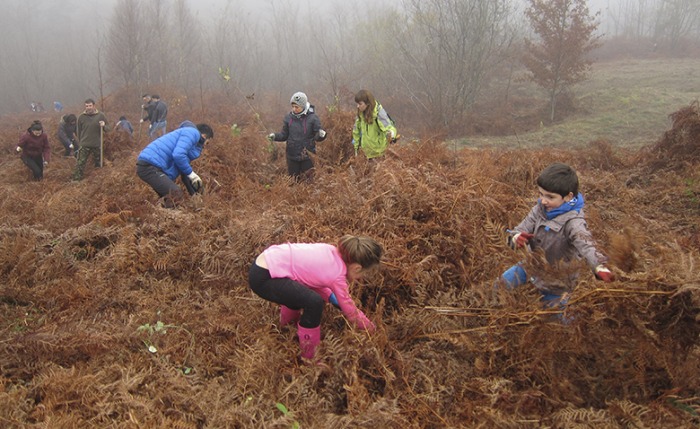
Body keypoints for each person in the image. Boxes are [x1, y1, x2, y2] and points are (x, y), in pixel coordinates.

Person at [498, 162, 614, 313]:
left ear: (568, 196)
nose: (543, 200)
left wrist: (599, 266)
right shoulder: (539, 209)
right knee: (499, 287)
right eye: (541, 194)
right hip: (531, 266)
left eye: (550, 197)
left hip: (556, 282)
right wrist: (515, 238)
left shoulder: (574, 222)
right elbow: (518, 230)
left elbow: (587, 245)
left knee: (556, 322)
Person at [248, 235, 381, 360]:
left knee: (301, 293)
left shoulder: (330, 251)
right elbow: (351, 313)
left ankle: (286, 328)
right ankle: (310, 356)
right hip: (265, 278)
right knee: (314, 302)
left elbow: (311, 280)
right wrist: (372, 330)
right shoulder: (337, 276)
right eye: (363, 274)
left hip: (264, 265)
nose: (361, 279)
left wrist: (331, 297)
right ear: (357, 268)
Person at [136, 121, 214, 208]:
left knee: (168, 198)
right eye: (207, 142)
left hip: (153, 167)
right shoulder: (192, 133)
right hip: (150, 166)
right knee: (175, 194)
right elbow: (178, 155)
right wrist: (192, 174)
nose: (205, 146)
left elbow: (184, 172)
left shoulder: (190, 142)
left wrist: (195, 195)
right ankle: (167, 219)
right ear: (204, 136)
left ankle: (162, 218)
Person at [267, 92, 326, 182]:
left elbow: (317, 136)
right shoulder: (288, 118)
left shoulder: (313, 118)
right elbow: (284, 135)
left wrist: (321, 135)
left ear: (303, 106)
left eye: (297, 107)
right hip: (292, 156)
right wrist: (275, 136)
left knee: (309, 183)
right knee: (294, 182)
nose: (294, 109)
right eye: (293, 106)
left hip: (307, 157)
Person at [351, 89, 398, 159]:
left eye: (360, 104)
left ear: (367, 103)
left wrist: (392, 136)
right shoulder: (360, 114)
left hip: (379, 155)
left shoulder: (378, 113)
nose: (357, 106)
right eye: (357, 104)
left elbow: (390, 127)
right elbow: (356, 131)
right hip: (366, 155)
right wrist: (356, 150)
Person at [72, 99, 109, 181]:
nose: (88, 108)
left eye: (90, 106)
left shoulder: (101, 116)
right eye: (86, 106)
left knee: (99, 164)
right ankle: (76, 180)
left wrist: (104, 126)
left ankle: (98, 180)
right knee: (80, 164)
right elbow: (78, 131)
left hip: (97, 144)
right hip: (84, 144)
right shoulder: (81, 117)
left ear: (94, 106)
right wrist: (81, 141)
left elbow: (108, 129)